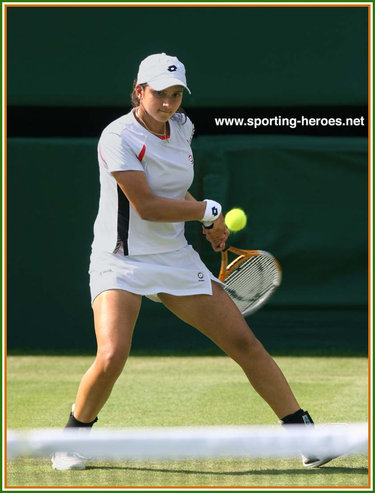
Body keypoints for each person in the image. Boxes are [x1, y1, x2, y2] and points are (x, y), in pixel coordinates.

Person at [52, 53, 337, 471]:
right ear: (139, 91)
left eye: (176, 95)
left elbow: (172, 191)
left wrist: (209, 221)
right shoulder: (118, 137)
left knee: (244, 344)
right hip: (121, 260)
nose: (168, 104)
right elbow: (147, 206)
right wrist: (206, 210)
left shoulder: (182, 129)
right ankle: (70, 440)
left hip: (175, 259)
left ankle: (305, 435)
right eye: (160, 94)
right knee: (112, 354)